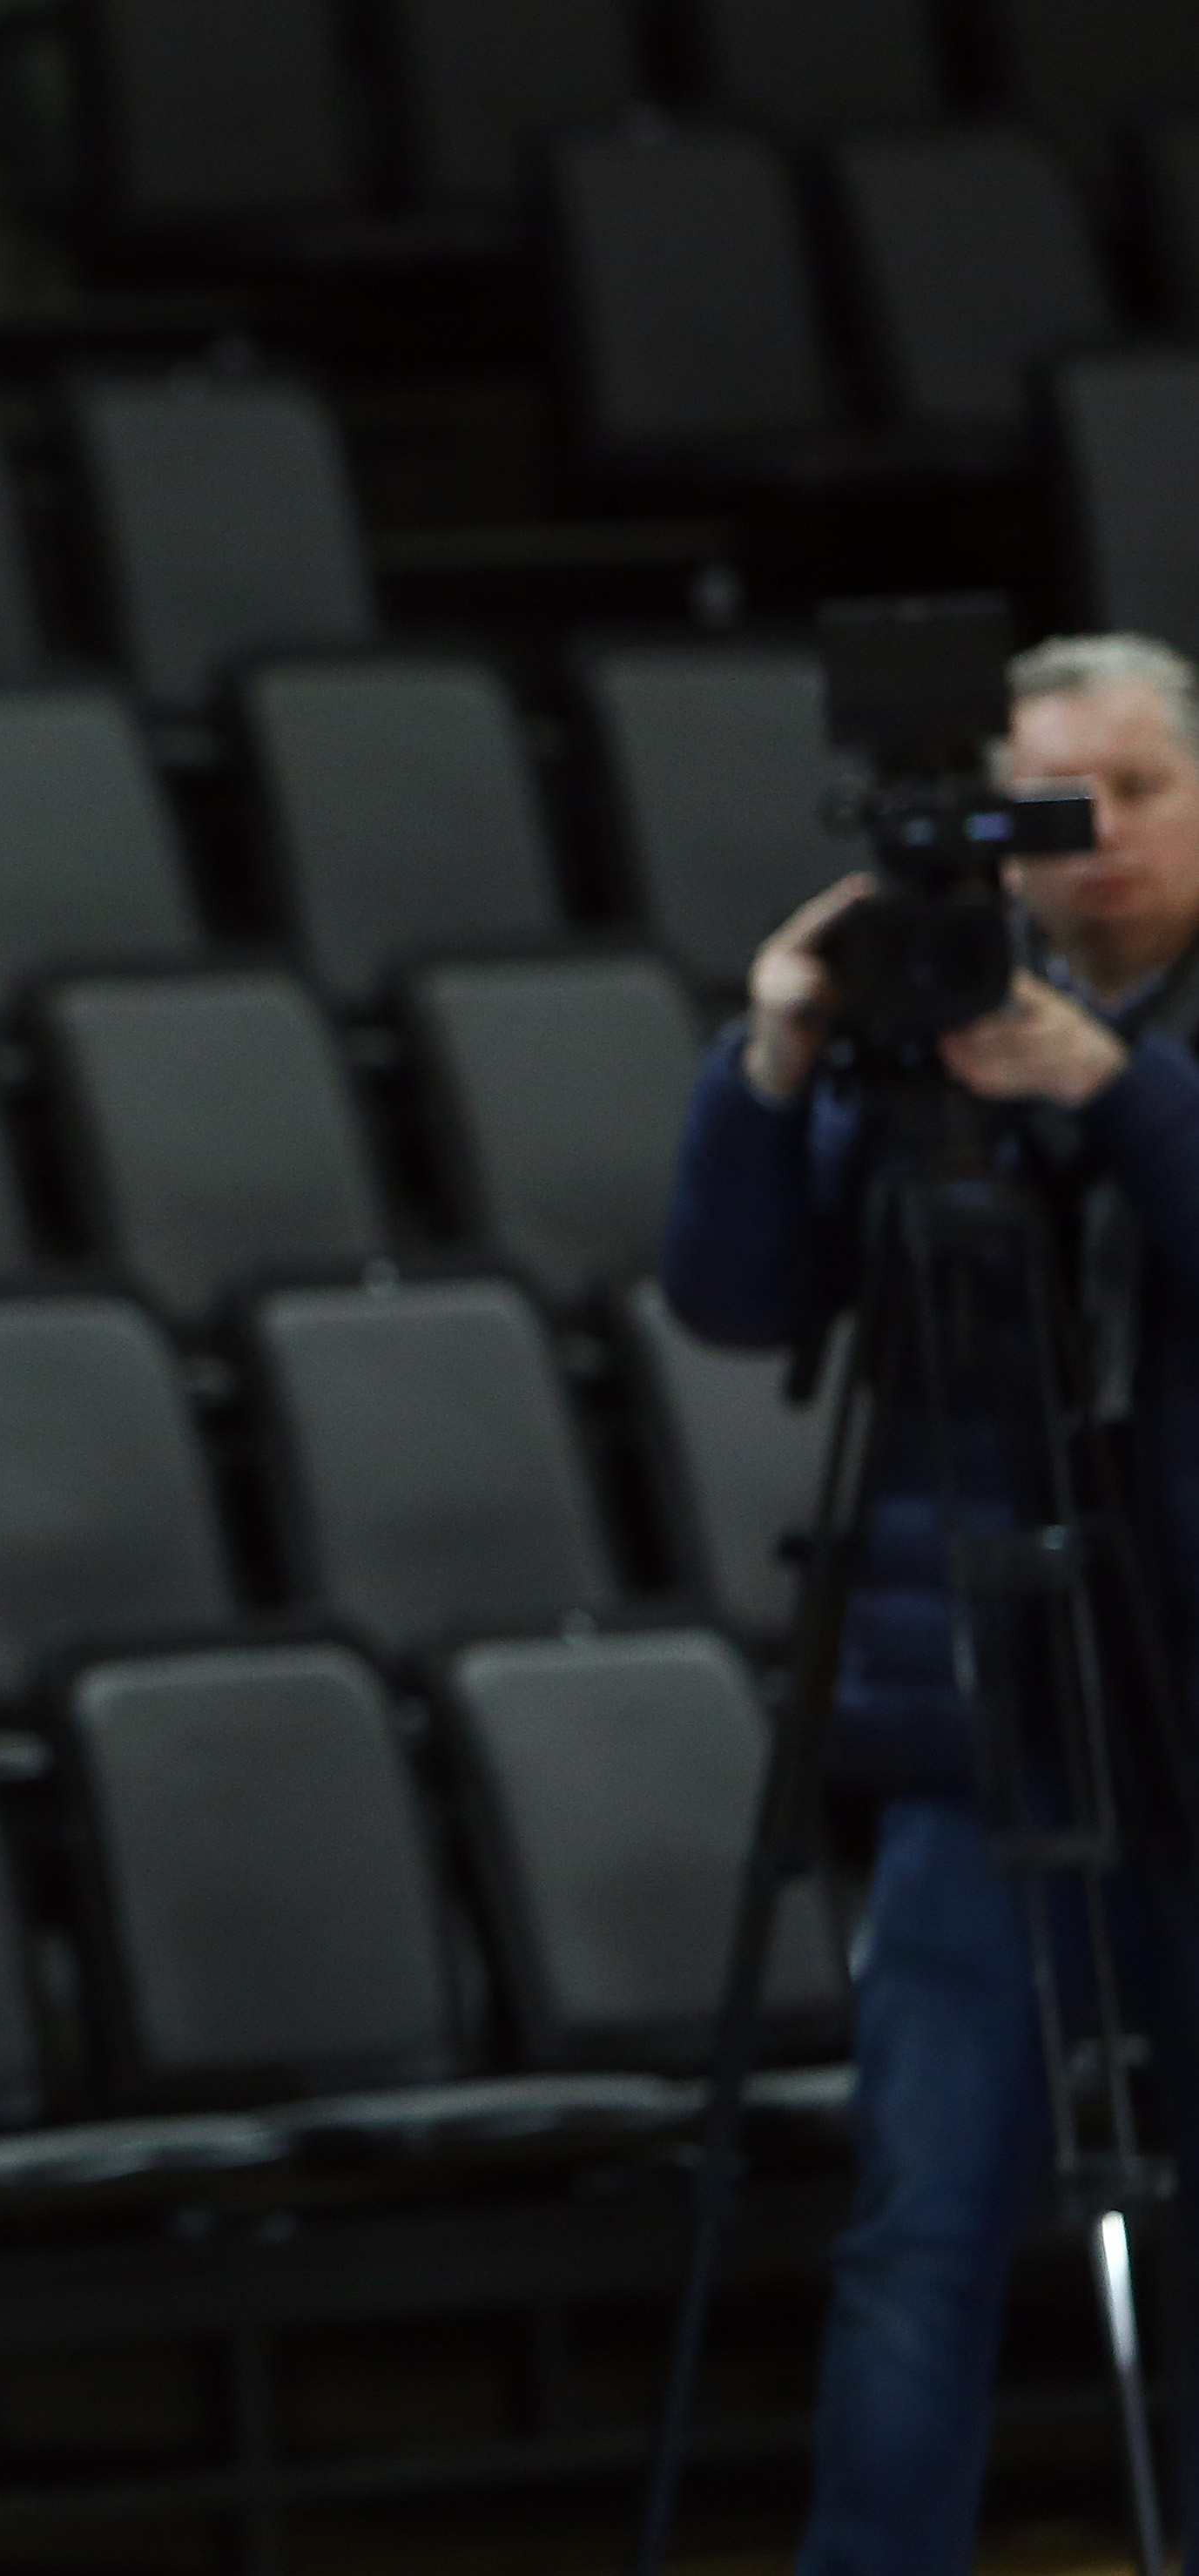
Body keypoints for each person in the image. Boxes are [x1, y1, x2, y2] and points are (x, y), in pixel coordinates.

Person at [663, 632, 1199, 2573]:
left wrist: (1122, 1094)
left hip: (1193, 1716)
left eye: (1134, 792)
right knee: (921, 2223)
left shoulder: (1121, 1049)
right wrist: (781, 1049)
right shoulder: (931, 1029)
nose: (1099, 843)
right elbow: (730, 1294)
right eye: (1056, 810)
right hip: (990, 1725)